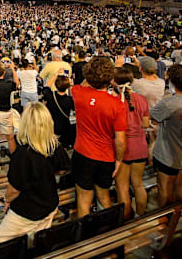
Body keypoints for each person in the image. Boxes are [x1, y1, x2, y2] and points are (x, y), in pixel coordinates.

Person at [0, 103, 70, 245]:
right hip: (50, 204)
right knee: (36, 241)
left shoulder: (23, 154)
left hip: (28, 212)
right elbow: (63, 169)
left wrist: (6, 200)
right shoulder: (54, 145)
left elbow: (14, 189)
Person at [71, 56, 127, 218]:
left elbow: (82, 85)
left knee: (83, 199)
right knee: (104, 197)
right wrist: (118, 160)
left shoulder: (78, 93)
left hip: (83, 154)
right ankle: (107, 232)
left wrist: (93, 76)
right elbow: (120, 139)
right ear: (110, 78)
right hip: (106, 156)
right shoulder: (117, 104)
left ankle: (86, 239)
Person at [150, 64, 182, 207]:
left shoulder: (170, 103)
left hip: (168, 152)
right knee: (180, 184)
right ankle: (180, 214)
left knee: (164, 188)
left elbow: (152, 118)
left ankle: (166, 220)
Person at [113, 67, 150, 220]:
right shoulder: (141, 99)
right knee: (139, 184)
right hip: (140, 146)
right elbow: (146, 124)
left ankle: (127, 219)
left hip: (123, 148)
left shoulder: (114, 101)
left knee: (122, 188)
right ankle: (141, 216)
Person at [42, 75, 75, 148]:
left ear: (56, 84)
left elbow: (47, 86)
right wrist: (71, 86)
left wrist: (55, 75)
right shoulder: (69, 100)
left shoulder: (50, 96)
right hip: (65, 127)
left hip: (51, 126)